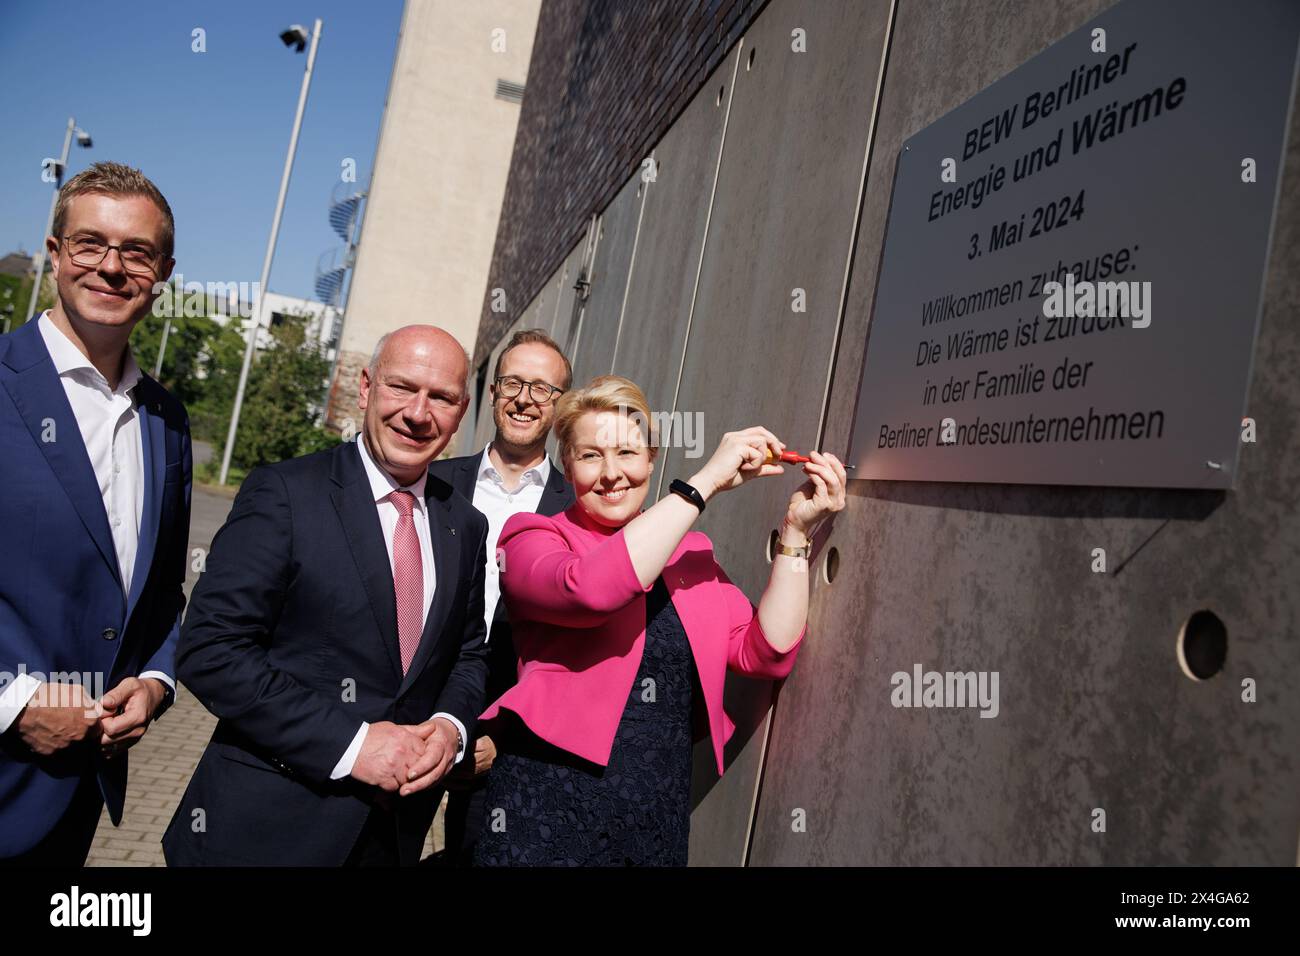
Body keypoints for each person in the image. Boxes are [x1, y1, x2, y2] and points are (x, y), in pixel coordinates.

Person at [473, 375, 847, 866]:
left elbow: (766, 652)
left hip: (655, 811)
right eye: (590, 456)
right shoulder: (531, 538)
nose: (611, 474)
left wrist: (795, 533)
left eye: (628, 453)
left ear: (652, 459)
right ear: (567, 466)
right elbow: (592, 591)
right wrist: (704, 483)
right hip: (549, 802)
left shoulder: (689, 552)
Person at [162, 326, 490, 866]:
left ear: (461, 411)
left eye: (442, 398)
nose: (418, 413)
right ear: (365, 387)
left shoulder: (465, 524)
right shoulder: (286, 493)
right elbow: (211, 651)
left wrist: (451, 727)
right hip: (264, 835)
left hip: (392, 839)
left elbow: (468, 653)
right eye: (402, 387)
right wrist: (352, 744)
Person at [0, 162, 191, 866]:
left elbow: (165, 592)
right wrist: (13, 703)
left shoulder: (166, 421)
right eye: (89, 244)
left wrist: (155, 683)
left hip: (77, 795)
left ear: (162, 270)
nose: (111, 267)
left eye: (136, 252)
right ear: (55, 254)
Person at [428, 329, 575, 865]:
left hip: (509, 730)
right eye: (512, 382)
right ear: (491, 392)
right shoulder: (432, 483)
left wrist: (506, 738)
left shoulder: (577, 508)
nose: (524, 398)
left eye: (543, 388)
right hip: (414, 713)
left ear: (560, 406)